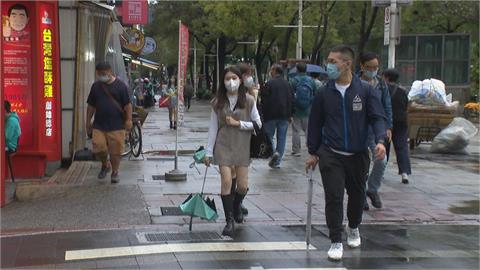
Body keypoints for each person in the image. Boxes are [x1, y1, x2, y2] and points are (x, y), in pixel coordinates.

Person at [306, 45, 387, 261]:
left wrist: (380, 141)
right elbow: (315, 123)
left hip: (358, 154)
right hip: (331, 153)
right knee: (333, 196)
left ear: (347, 64)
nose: (329, 65)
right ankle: (335, 240)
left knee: (357, 196)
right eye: (329, 61)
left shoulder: (366, 91)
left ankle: (353, 226)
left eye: (333, 61)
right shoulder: (324, 92)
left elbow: (378, 117)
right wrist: (313, 152)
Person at [204, 66, 261, 237]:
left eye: (234, 78)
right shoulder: (217, 102)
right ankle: (229, 221)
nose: (231, 82)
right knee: (227, 181)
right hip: (223, 145)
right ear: (223, 81)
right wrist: (208, 152)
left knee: (242, 186)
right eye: (227, 78)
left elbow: (258, 125)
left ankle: (236, 205)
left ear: (240, 80)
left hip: (242, 146)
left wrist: (239, 124)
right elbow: (213, 128)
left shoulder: (249, 100)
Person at [86, 62, 132, 184]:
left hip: (117, 125)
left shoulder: (121, 86)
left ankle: (115, 171)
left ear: (110, 71)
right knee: (98, 148)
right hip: (99, 125)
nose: (101, 76)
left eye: (104, 73)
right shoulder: (96, 87)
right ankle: (105, 164)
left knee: (115, 152)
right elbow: (91, 106)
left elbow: (127, 105)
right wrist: (88, 122)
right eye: (99, 74)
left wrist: (128, 120)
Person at [358, 52, 393, 210]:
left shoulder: (381, 84)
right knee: (361, 164)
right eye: (369, 67)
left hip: (376, 130)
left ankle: (372, 189)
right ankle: (361, 193)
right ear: (362, 66)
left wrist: (388, 127)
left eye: (376, 67)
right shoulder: (354, 82)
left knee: (381, 160)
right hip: (357, 130)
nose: (373, 70)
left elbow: (387, 106)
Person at [261, 64, 294, 168]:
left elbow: (264, 101)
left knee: (268, 136)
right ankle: (277, 160)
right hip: (284, 115)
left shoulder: (269, 83)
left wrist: (262, 114)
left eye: (271, 70)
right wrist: (291, 114)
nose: (270, 72)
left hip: (270, 115)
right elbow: (292, 99)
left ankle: (273, 153)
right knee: (282, 137)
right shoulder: (287, 84)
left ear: (274, 71)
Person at [383, 68, 411, 184]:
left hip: (386, 122)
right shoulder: (403, 91)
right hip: (401, 122)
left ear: (387, 77)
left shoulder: (383, 90)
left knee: (384, 146)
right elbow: (406, 105)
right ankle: (404, 173)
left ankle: (381, 171)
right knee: (402, 147)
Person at [290, 62, 316, 157]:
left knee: (296, 130)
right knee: (308, 130)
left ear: (297, 69)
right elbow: (315, 94)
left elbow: (291, 95)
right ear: (306, 70)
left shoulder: (293, 81)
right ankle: (311, 148)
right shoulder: (311, 81)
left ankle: (296, 150)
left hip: (296, 110)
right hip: (308, 110)